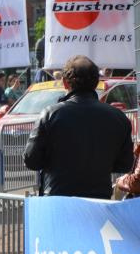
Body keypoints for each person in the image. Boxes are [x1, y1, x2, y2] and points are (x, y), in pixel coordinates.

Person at [24, 55, 133, 199]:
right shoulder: (118, 117)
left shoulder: (50, 114)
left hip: (57, 200)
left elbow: (31, 160)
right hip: (98, 200)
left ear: (64, 83)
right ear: (96, 83)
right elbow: (125, 164)